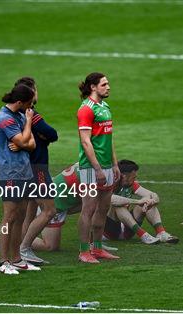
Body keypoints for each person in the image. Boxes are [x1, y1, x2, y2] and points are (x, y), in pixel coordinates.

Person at [8, 77, 58, 266]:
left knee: (27, 212)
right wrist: (44, 139)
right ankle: (24, 248)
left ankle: (17, 247)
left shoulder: (17, 115)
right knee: (49, 210)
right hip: (37, 168)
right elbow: (52, 134)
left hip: (26, 167)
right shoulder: (31, 115)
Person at [0, 83, 39, 275]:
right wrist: (27, 126)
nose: (30, 108)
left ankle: (16, 259)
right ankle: (3, 262)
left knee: (20, 216)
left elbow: (31, 144)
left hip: (25, 172)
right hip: (10, 174)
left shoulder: (19, 115)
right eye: (28, 104)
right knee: (9, 217)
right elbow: (22, 140)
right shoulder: (4, 119)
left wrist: (23, 142)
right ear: (20, 102)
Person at [76, 72, 121, 263]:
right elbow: (86, 142)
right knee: (89, 208)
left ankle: (98, 248)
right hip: (90, 168)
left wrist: (114, 164)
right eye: (104, 84)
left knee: (103, 208)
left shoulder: (105, 106)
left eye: (108, 83)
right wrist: (97, 169)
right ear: (93, 87)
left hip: (107, 167)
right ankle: (83, 251)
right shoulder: (86, 109)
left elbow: (108, 139)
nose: (108, 87)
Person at [104, 160, 179, 244]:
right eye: (133, 176)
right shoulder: (109, 183)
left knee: (148, 201)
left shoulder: (131, 184)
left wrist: (152, 201)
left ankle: (161, 233)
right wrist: (138, 202)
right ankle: (143, 235)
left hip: (127, 229)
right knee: (118, 205)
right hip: (109, 231)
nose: (136, 176)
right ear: (124, 176)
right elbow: (112, 199)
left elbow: (153, 194)